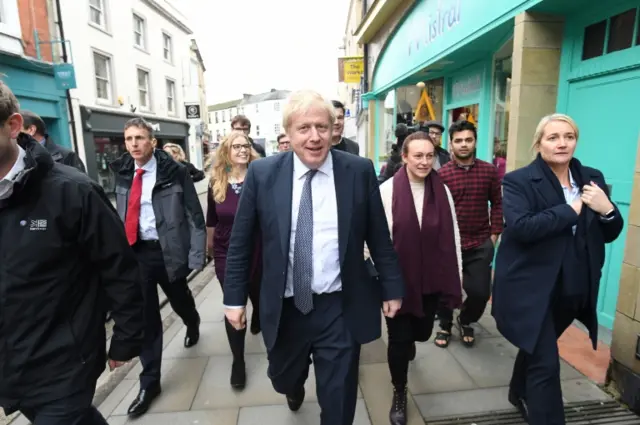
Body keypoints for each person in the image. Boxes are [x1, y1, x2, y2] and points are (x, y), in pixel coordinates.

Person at [223, 90, 404, 425]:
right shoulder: (263, 174)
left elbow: (378, 234)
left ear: (334, 130)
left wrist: (392, 286)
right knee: (284, 378)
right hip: (286, 305)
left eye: (322, 127)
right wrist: (234, 299)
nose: (314, 137)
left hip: (340, 304)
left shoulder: (358, 170)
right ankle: (294, 384)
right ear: (288, 134)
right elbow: (241, 243)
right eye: (304, 128)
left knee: (339, 398)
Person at [0, 81, 145, 424]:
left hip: (62, 363)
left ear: (14, 125)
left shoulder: (72, 191)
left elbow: (119, 267)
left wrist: (127, 336)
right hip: (10, 365)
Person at [493, 114, 623, 425]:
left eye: (568, 136)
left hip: (573, 287)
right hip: (530, 289)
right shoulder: (518, 181)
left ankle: (517, 391)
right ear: (539, 143)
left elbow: (609, 232)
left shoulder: (592, 178)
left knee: (539, 347)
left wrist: (606, 209)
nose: (562, 143)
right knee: (546, 365)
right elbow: (523, 228)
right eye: (553, 137)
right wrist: (573, 208)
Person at [110, 117, 206, 418]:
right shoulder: (123, 171)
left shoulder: (173, 171)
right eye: (129, 139)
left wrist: (195, 257)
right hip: (136, 253)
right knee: (146, 317)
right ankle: (149, 383)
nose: (134, 144)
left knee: (179, 299)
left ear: (152, 142)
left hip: (166, 252)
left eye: (140, 138)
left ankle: (192, 321)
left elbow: (194, 215)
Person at [375, 131, 462, 425]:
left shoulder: (443, 191)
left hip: (431, 279)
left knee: (422, 333)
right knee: (399, 342)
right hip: (397, 282)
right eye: (418, 156)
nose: (425, 162)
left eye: (429, 156)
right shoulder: (387, 191)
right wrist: (383, 285)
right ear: (405, 158)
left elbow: (453, 238)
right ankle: (399, 391)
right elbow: (375, 240)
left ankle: (412, 339)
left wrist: (456, 278)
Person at [435, 120, 502, 348]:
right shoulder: (442, 174)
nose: (463, 145)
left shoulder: (489, 171)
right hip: (449, 244)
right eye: (458, 141)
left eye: (468, 140)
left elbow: (498, 203)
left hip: (480, 243)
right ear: (451, 144)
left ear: (475, 142)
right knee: (445, 289)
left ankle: (466, 319)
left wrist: (494, 235)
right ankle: (444, 324)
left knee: (480, 292)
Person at [207, 130, 263, 389]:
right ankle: (238, 361)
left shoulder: (260, 177)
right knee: (233, 305)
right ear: (226, 152)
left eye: (245, 145)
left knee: (258, 294)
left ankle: (259, 314)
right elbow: (212, 220)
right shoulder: (216, 182)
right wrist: (209, 249)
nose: (242, 150)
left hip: (258, 248)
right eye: (236, 146)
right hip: (225, 251)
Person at [21, 109, 87, 172]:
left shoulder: (67, 156)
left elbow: (81, 182)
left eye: (16, 128)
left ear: (31, 130)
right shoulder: (19, 156)